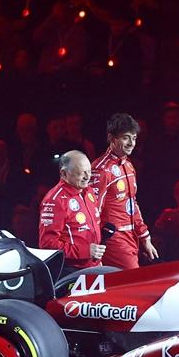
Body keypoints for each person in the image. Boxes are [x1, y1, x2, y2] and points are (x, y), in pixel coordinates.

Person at [89, 114, 158, 270]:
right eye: (126, 138)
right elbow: (92, 210)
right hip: (113, 239)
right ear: (111, 138)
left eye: (134, 138)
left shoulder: (128, 165)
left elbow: (131, 203)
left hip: (131, 237)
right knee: (132, 283)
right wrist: (92, 244)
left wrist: (144, 237)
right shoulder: (100, 169)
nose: (131, 143)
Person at [39, 151, 104, 272]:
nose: (87, 177)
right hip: (72, 270)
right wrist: (85, 251)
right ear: (64, 173)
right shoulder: (55, 200)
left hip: (94, 265)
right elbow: (47, 245)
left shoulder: (88, 191)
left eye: (89, 171)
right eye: (81, 173)